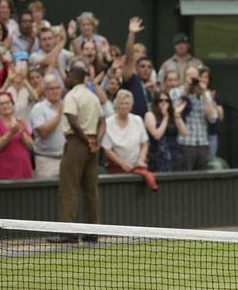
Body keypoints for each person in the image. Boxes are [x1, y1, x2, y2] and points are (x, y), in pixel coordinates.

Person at [54, 66, 104, 243]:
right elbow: (102, 121)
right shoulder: (93, 96)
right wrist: (96, 141)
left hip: (77, 143)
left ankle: (69, 232)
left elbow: (72, 119)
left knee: (69, 188)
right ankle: (92, 233)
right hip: (91, 145)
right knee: (91, 190)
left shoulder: (71, 95)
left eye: (68, 75)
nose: (65, 78)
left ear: (75, 77)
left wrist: (86, 141)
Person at [102, 89, 158, 190]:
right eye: (121, 103)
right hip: (117, 168)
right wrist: (122, 163)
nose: (124, 106)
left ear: (131, 105)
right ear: (117, 105)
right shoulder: (108, 123)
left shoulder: (137, 120)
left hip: (137, 166)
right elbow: (107, 150)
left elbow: (144, 143)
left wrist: (141, 159)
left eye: (127, 103)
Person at [171, 66, 217, 171]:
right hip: (185, 142)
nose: (192, 79)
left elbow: (212, 117)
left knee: (203, 178)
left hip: (202, 142)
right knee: (185, 176)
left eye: (194, 77)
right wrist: (186, 92)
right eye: (189, 76)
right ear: (184, 77)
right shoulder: (176, 92)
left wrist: (204, 93)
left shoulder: (205, 93)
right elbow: (176, 111)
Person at [0, 91, 33, 179]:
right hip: (3, 169)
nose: (5, 106)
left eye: (7, 102)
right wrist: (11, 132)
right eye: (1, 104)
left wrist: (22, 133)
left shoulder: (20, 122)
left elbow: (31, 145)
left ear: (12, 104)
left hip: (22, 167)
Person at [29, 74, 63, 178]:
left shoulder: (66, 105)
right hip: (46, 160)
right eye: (51, 89)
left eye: (57, 88)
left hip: (65, 158)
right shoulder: (38, 108)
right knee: (47, 193)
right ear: (45, 91)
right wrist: (59, 116)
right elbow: (43, 132)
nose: (55, 91)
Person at [144, 92, 186, 172]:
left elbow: (184, 132)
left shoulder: (173, 115)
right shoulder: (150, 115)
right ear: (156, 102)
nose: (164, 103)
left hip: (173, 152)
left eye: (167, 101)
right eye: (161, 100)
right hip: (157, 154)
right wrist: (165, 118)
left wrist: (177, 115)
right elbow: (157, 135)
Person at [121, 17, 154, 118]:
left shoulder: (153, 85)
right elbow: (128, 58)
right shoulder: (131, 78)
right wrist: (132, 34)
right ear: (136, 67)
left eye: (149, 67)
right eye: (142, 66)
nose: (146, 69)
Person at [0, 51, 38, 123]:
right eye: (18, 65)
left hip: (26, 127)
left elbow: (35, 97)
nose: (20, 69)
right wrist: (9, 79)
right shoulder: (8, 88)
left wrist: (24, 79)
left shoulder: (28, 88)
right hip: (9, 127)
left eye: (23, 65)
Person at [198, 65, 224, 158]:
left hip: (211, 135)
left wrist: (211, 100)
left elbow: (220, 116)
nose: (203, 79)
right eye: (201, 77)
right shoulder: (193, 93)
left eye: (206, 77)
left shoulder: (213, 94)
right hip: (197, 135)